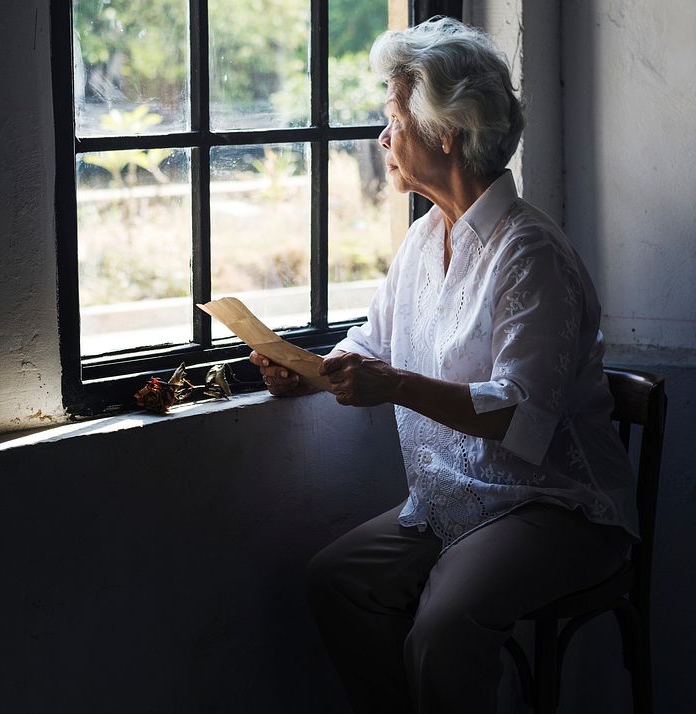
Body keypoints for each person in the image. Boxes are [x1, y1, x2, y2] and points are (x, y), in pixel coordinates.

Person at [249, 17, 637, 714]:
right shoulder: (426, 238)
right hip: (455, 501)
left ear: (446, 132)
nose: (382, 139)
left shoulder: (530, 254)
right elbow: (372, 345)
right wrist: (307, 368)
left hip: (554, 506)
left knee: (446, 625)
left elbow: (523, 415)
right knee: (335, 581)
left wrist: (393, 385)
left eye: (393, 119)